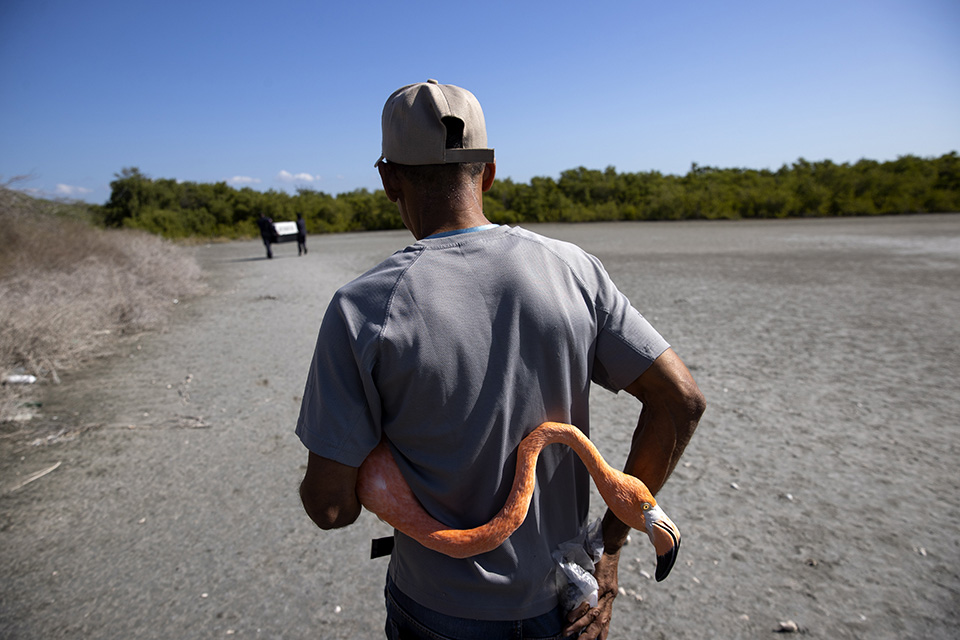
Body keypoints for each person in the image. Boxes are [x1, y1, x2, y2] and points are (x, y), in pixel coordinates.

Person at [296, 79, 705, 640]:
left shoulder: (363, 307)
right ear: (488, 171)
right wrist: (608, 544)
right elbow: (681, 402)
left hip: (438, 609)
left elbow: (331, 509)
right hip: (565, 599)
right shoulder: (574, 269)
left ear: (388, 179)